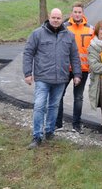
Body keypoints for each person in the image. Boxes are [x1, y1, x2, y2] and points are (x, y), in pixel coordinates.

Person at [23, 8, 81, 149]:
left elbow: (74, 56)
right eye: (53, 17)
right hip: (43, 77)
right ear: (49, 17)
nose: (56, 20)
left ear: (63, 19)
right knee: (39, 106)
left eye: (58, 18)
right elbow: (28, 53)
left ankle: (49, 131)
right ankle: (37, 136)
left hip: (61, 78)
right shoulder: (37, 34)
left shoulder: (69, 36)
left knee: (54, 106)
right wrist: (27, 73)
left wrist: (77, 74)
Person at [56, 2, 94, 134]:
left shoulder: (90, 29)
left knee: (78, 98)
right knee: (59, 95)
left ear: (83, 13)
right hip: (66, 69)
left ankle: (76, 125)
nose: (77, 14)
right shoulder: (64, 28)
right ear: (71, 13)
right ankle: (57, 124)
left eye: (79, 12)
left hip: (83, 69)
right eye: (75, 12)